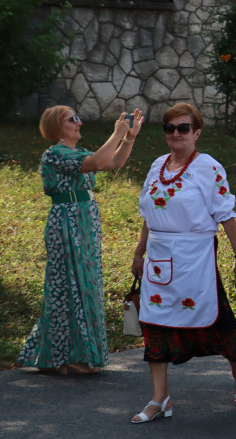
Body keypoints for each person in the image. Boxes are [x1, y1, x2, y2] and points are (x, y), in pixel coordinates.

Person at [130, 103, 236, 423]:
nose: (175, 134)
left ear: (197, 133)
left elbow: (225, 213)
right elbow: (148, 215)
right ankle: (160, 398)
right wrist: (139, 252)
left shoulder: (208, 167)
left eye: (183, 128)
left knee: (215, 318)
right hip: (158, 257)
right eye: (169, 128)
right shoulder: (158, 165)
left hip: (194, 257)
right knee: (154, 323)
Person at [19, 106, 143, 375]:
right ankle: (68, 357)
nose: (79, 122)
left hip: (85, 221)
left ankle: (64, 357)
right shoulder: (55, 153)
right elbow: (96, 163)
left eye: (78, 118)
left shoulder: (77, 152)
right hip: (66, 222)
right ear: (56, 126)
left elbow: (113, 162)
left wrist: (128, 137)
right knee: (68, 286)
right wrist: (116, 132)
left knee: (84, 283)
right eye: (72, 119)